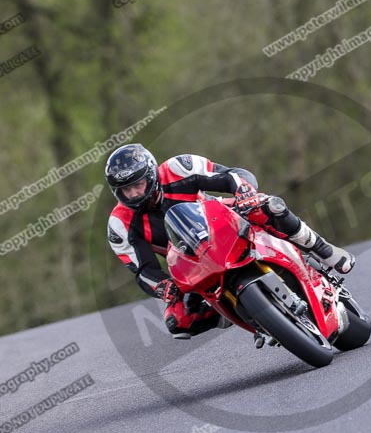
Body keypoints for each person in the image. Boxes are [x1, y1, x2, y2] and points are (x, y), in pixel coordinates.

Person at [105, 144, 355, 338]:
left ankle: (322, 249)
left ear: (151, 174)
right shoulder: (120, 224)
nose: (134, 193)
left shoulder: (178, 168)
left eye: (138, 184)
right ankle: (240, 314)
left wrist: (245, 191)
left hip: (221, 220)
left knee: (268, 206)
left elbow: (232, 175)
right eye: (126, 190)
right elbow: (143, 270)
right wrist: (162, 286)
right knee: (178, 322)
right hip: (188, 258)